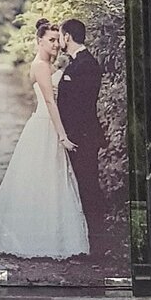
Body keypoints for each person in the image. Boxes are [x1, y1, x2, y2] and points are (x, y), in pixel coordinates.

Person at [0, 18, 89, 260]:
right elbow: (49, 101)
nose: (56, 44)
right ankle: (34, 240)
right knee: (39, 180)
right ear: (39, 41)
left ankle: (53, 236)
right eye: (51, 40)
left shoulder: (50, 65)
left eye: (57, 40)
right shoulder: (40, 66)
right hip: (45, 125)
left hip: (50, 123)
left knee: (53, 181)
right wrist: (62, 135)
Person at [57, 18, 106, 234]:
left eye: (60, 36)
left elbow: (83, 106)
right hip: (76, 135)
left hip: (83, 136)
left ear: (67, 36)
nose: (60, 40)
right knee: (79, 185)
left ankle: (96, 236)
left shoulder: (86, 64)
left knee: (87, 185)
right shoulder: (75, 63)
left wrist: (70, 135)